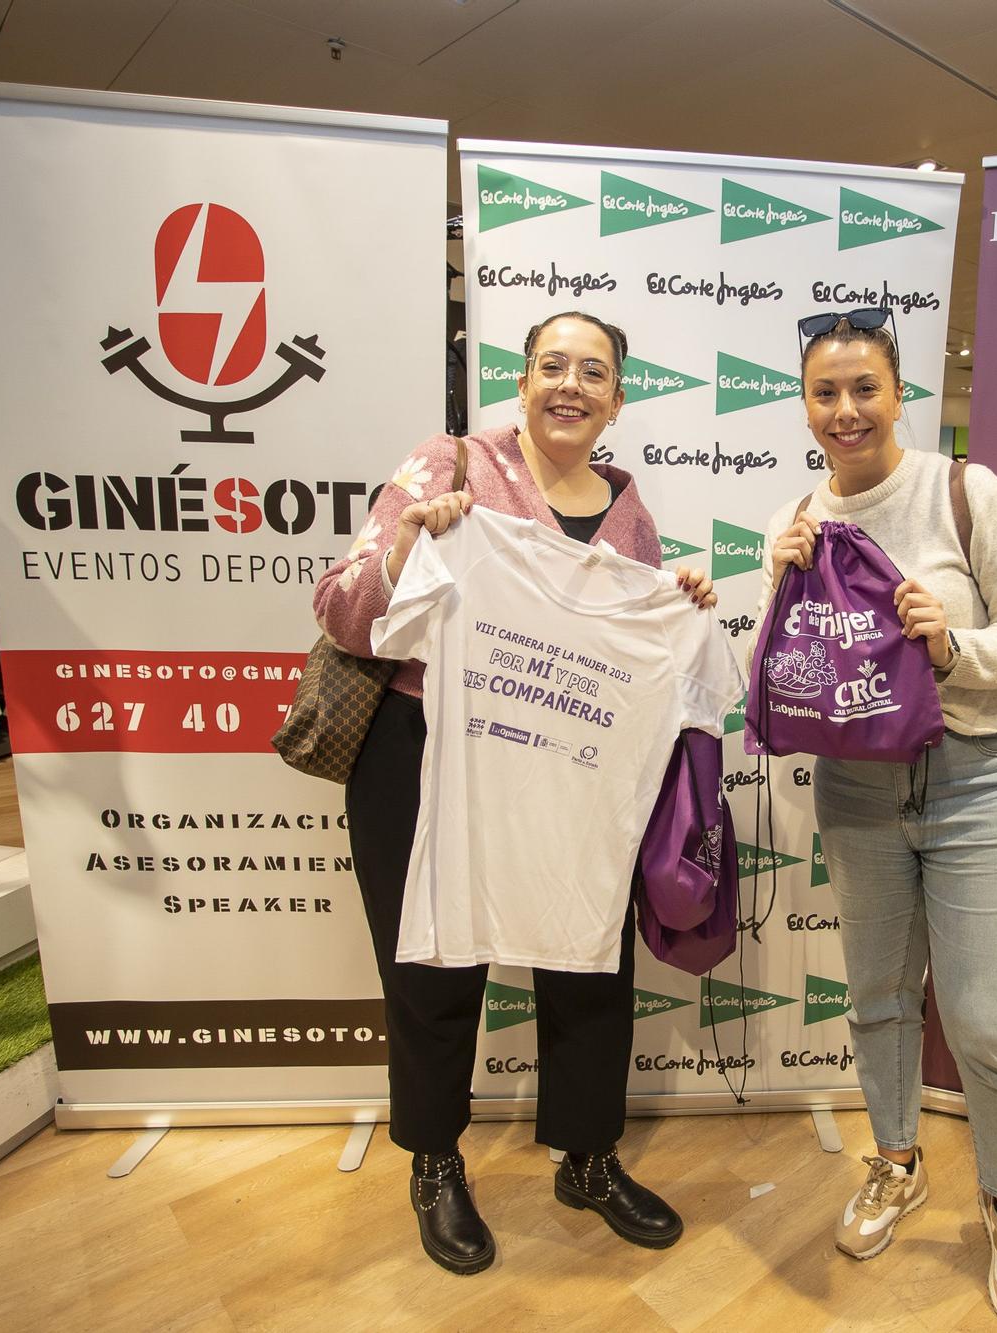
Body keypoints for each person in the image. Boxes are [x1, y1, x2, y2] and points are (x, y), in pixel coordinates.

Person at [312, 311, 716, 1276]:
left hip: (562, 764)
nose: (570, 385)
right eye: (551, 366)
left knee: (587, 953)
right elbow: (341, 611)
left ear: (618, 398)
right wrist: (409, 544)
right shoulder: (448, 464)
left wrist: (681, 606)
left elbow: (628, 659)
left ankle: (586, 1154)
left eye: (594, 371)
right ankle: (436, 1159)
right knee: (431, 961)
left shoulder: (631, 514)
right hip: (424, 747)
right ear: (522, 379)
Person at [760, 308, 997, 1330]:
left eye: (862, 389)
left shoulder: (964, 492)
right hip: (857, 789)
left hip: (978, 779)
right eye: (823, 392)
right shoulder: (807, 507)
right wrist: (780, 578)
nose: (844, 410)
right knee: (879, 997)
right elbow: (813, 659)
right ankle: (895, 1164)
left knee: (987, 1020)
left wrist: (953, 649)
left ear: (897, 394)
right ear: (805, 405)